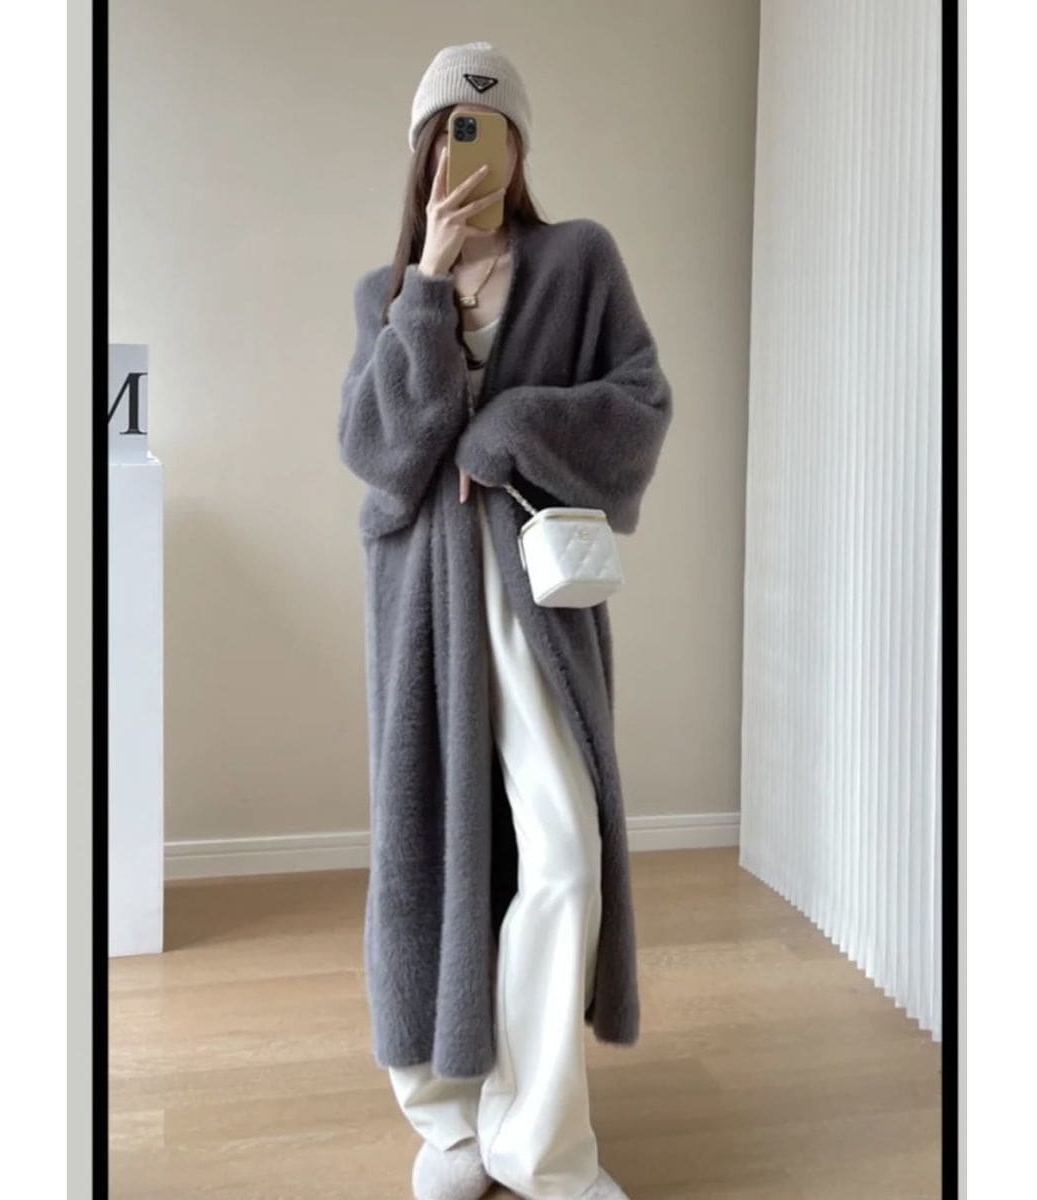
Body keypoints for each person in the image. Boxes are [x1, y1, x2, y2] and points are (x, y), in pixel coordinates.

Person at [337, 41, 673, 1200]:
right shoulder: (385, 294)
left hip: (534, 597)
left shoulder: (579, 260)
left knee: (563, 852)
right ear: (422, 149)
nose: (465, 149)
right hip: (421, 605)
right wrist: (427, 290)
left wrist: (514, 426)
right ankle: (448, 1125)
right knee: (426, 855)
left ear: (519, 145)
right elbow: (381, 455)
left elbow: (639, 403)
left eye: (486, 129)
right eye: (446, 129)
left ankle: (539, 1142)